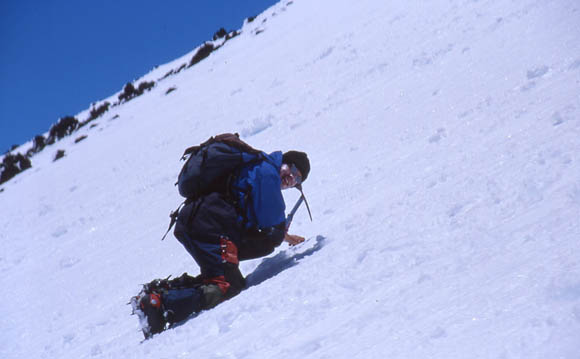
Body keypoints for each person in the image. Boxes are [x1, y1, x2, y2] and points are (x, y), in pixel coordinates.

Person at [138, 149, 310, 336]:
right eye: (291, 169)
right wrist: (279, 234)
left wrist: (283, 236)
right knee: (228, 286)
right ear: (283, 161)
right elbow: (272, 226)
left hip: (200, 221)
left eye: (297, 180)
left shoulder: (261, 169)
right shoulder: (268, 173)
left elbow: (264, 220)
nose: (290, 177)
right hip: (209, 224)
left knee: (222, 280)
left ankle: (160, 294)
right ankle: (160, 304)